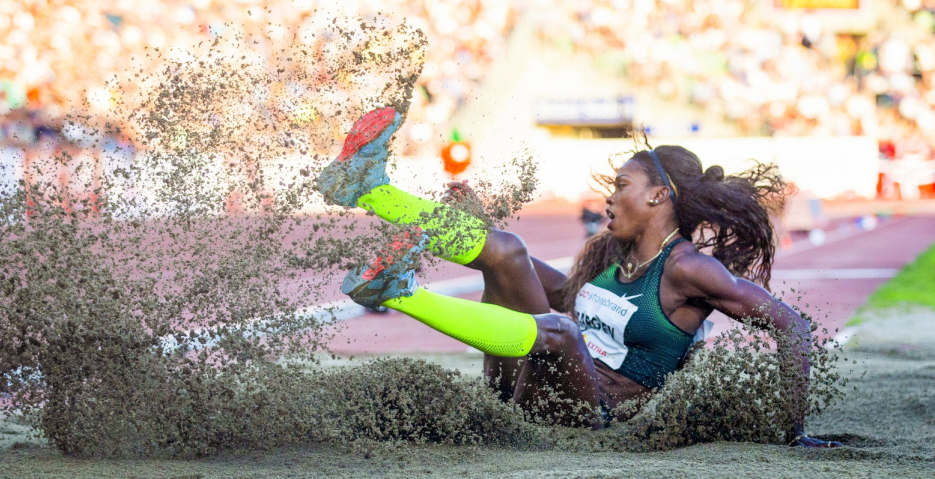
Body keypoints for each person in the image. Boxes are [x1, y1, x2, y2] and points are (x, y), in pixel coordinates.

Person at [317, 107, 841, 448]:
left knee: (560, 331)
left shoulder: (687, 267)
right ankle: (366, 189)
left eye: (621, 185)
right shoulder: (609, 258)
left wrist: (793, 431)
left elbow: (791, 327)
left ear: (658, 196)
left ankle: (400, 293)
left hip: (592, 419)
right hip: (527, 394)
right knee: (505, 250)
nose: (608, 197)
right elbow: (545, 288)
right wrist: (479, 232)